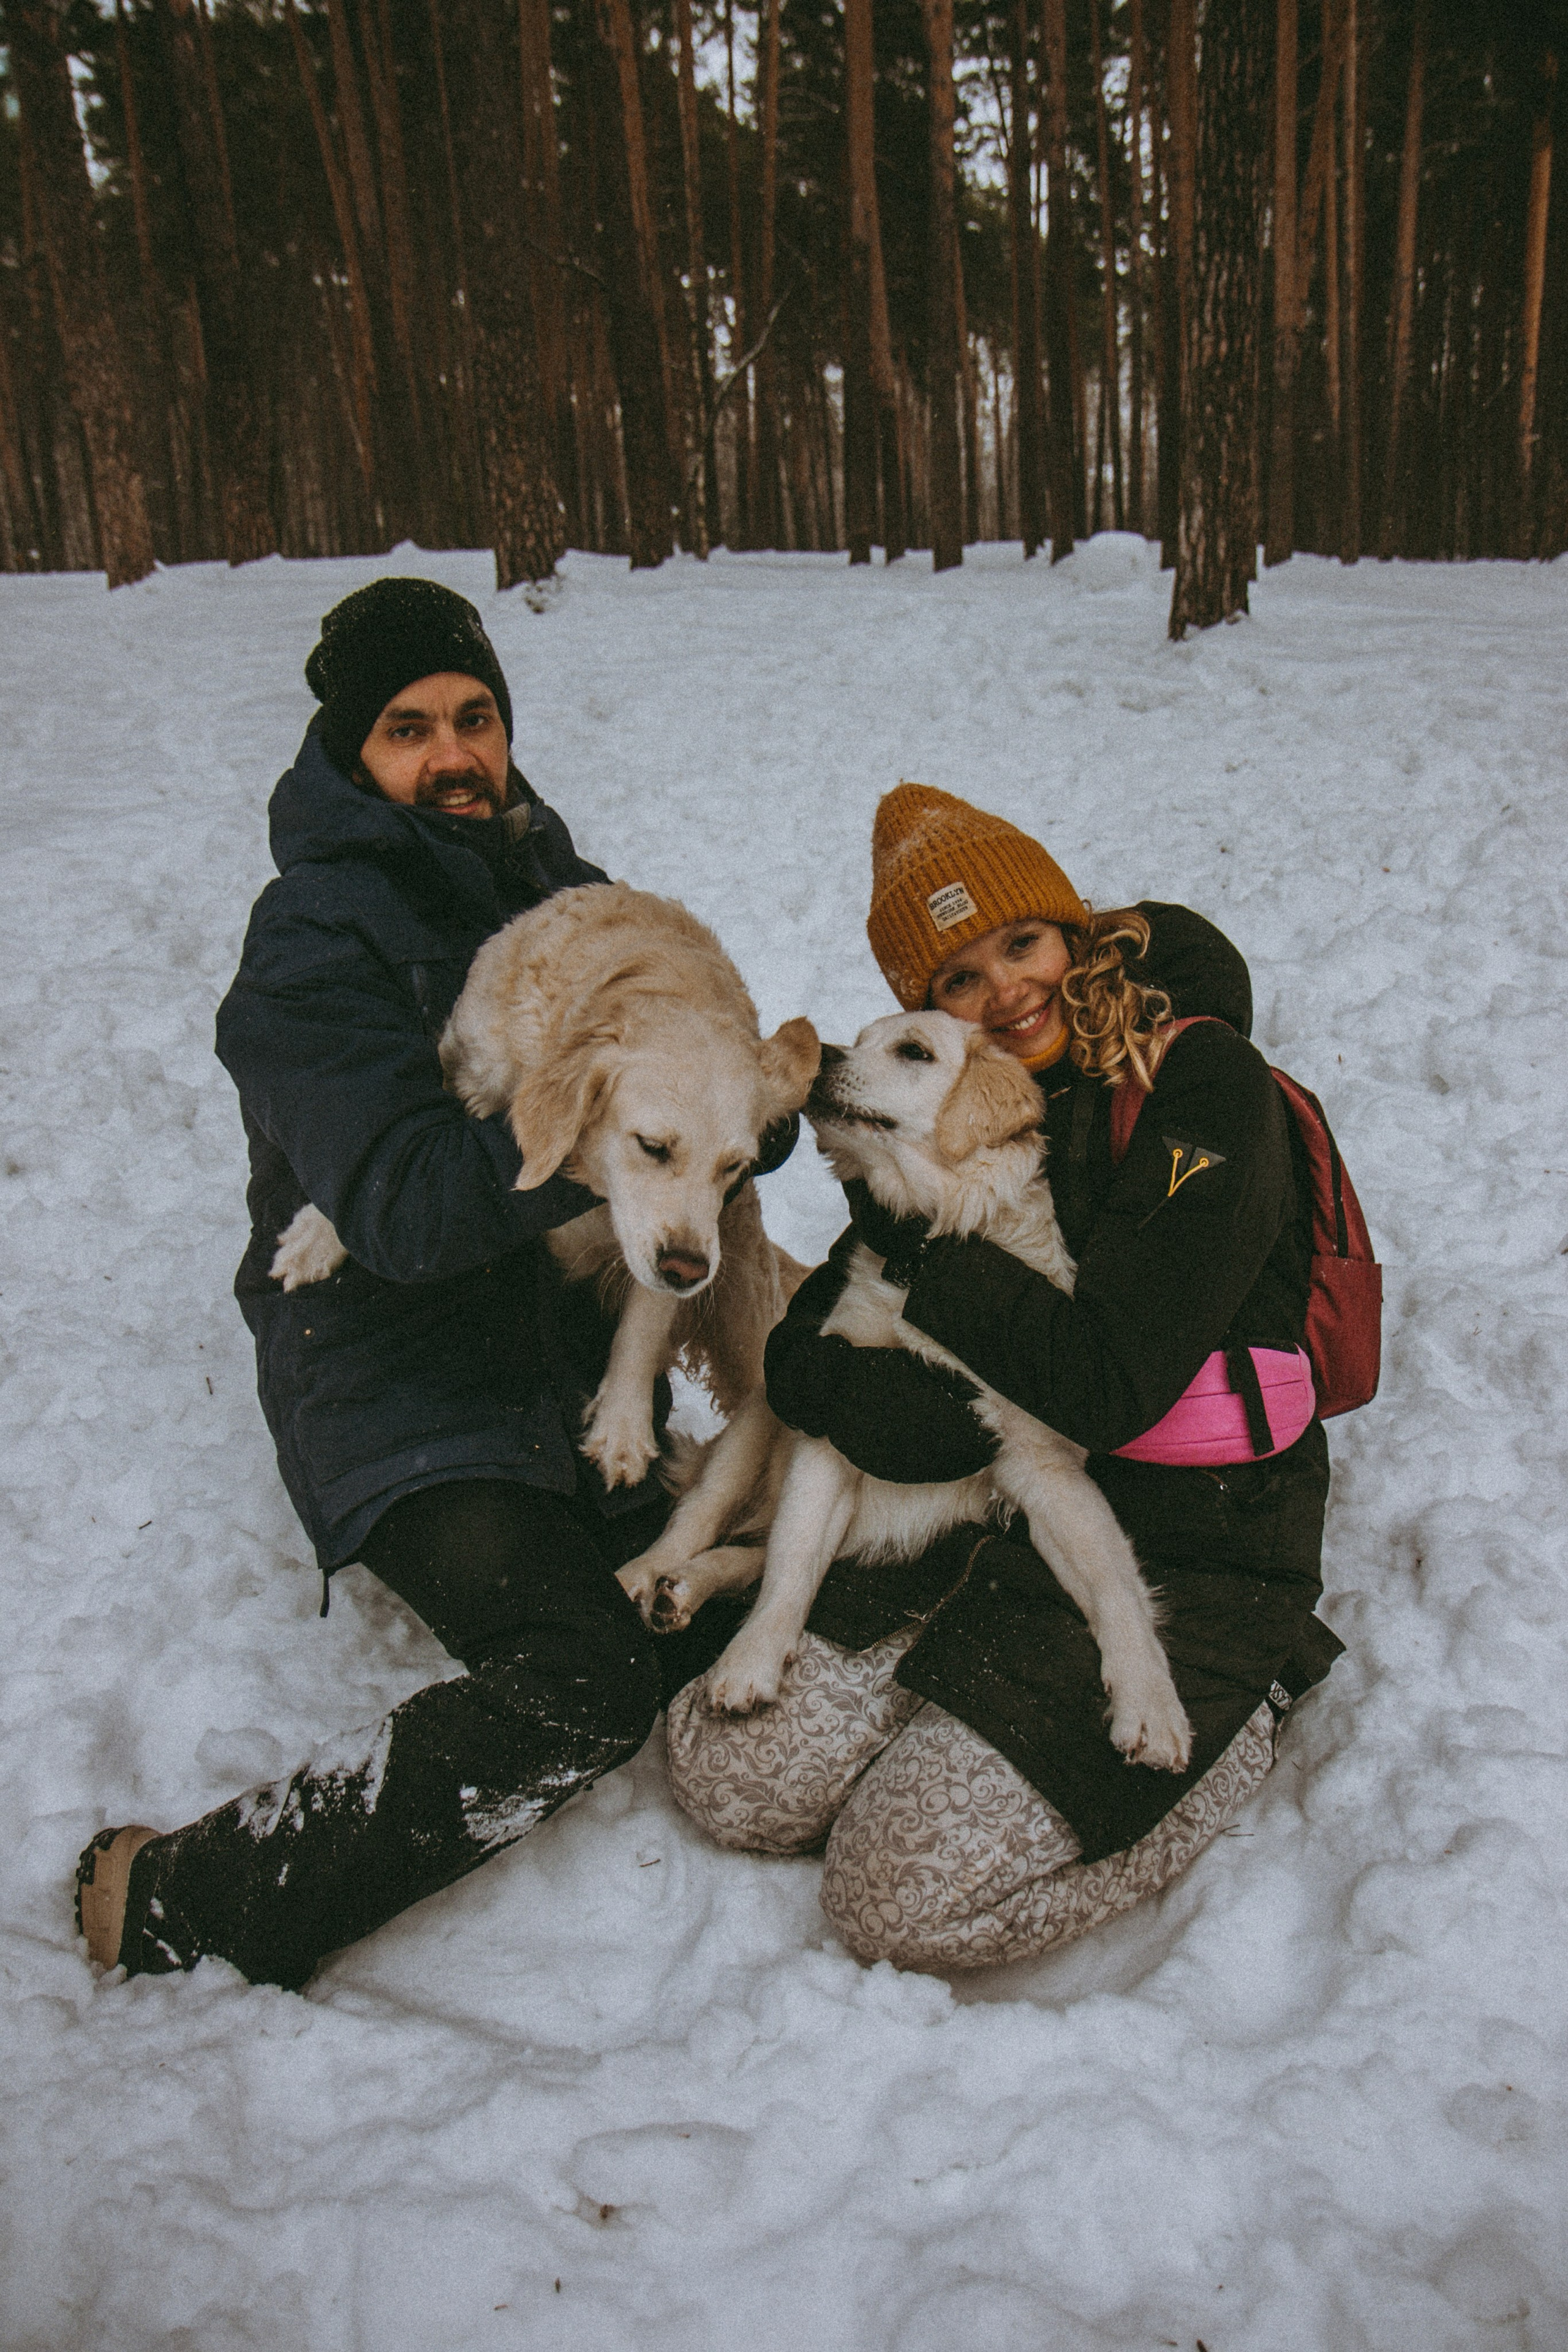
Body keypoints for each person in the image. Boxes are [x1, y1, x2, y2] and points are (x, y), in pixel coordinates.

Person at [75, 577, 792, 1991]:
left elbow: (687, 1105)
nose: (455, 754)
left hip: (570, 1358)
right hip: (395, 1381)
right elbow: (397, 1208)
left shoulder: (563, 896)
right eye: (408, 730)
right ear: (352, 754)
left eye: (476, 719)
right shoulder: (307, 946)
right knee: (580, 1688)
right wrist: (600, 1138)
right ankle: (179, 1899)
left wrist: (730, 1121)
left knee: (714, 1597)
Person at [665, 782, 1344, 1970]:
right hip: (993, 1523)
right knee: (730, 1781)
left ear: (1071, 932)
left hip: (1191, 1548)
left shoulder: (1201, 1090)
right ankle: (952, 1718)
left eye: (1020, 943)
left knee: (891, 1904)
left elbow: (1107, 1380)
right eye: (957, 981)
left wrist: (918, 1274)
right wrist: (907, 1407)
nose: (1006, 990)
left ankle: (1227, 1726)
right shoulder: (943, 1101)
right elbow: (801, 1358)